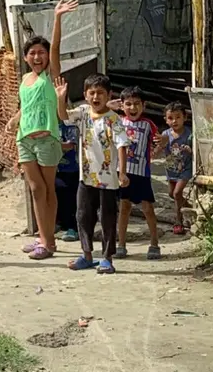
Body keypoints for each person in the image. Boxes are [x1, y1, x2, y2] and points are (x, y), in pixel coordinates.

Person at [6, 0, 79, 260]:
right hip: (24, 139)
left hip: (48, 139)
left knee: (47, 188)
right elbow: (28, 105)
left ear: (47, 57)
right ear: (25, 57)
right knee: (35, 189)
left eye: (41, 52)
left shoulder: (51, 76)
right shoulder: (26, 79)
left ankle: (48, 243)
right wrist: (15, 120)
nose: (37, 56)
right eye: (32, 53)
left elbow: (57, 47)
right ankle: (44, 237)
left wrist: (58, 17)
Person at [56, 74, 129, 275]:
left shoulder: (114, 119)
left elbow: (122, 145)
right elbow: (63, 116)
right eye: (92, 93)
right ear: (86, 95)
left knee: (107, 218)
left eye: (100, 93)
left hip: (108, 180)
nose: (96, 97)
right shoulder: (83, 113)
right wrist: (60, 98)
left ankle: (106, 258)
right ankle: (87, 255)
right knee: (83, 216)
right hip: (86, 177)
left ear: (109, 95)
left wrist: (122, 173)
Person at [109, 87, 161, 261]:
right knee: (124, 208)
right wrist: (111, 105)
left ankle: (154, 244)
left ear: (144, 105)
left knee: (147, 209)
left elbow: (161, 139)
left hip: (141, 174)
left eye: (137, 104)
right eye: (128, 104)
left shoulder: (148, 125)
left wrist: (159, 146)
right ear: (122, 106)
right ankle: (121, 245)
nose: (133, 108)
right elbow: (100, 111)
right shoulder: (117, 121)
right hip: (122, 172)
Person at [155, 102, 192, 235]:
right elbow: (159, 148)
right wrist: (153, 153)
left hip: (185, 169)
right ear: (166, 120)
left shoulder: (189, 135)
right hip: (171, 169)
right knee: (173, 194)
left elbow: (197, 151)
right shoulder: (165, 134)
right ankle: (189, 208)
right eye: (170, 118)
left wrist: (190, 150)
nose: (174, 121)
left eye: (178, 117)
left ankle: (179, 221)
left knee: (177, 194)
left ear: (185, 117)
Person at [55, 118, 80, 242]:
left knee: (71, 199)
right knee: (56, 196)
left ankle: (73, 228)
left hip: (70, 169)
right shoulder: (49, 125)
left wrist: (51, 144)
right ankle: (59, 223)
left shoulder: (70, 126)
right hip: (54, 168)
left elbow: (70, 145)